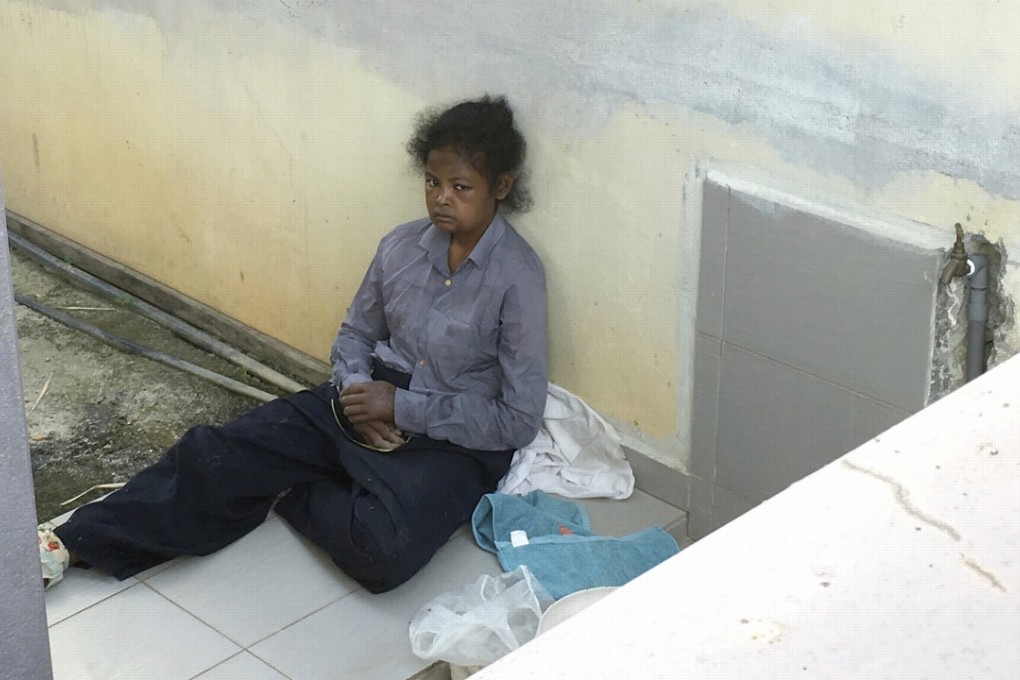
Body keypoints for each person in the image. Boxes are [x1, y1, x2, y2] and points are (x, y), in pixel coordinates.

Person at [38, 95, 548, 594]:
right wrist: (356, 391)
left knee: (383, 550)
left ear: (500, 187)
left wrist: (404, 407)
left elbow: (518, 420)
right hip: (367, 397)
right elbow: (355, 335)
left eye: (461, 187)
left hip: (452, 435)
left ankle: (292, 485)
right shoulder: (400, 247)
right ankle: (70, 544)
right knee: (217, 454)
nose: (441, 198)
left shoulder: (517, 278)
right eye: (433, 182)